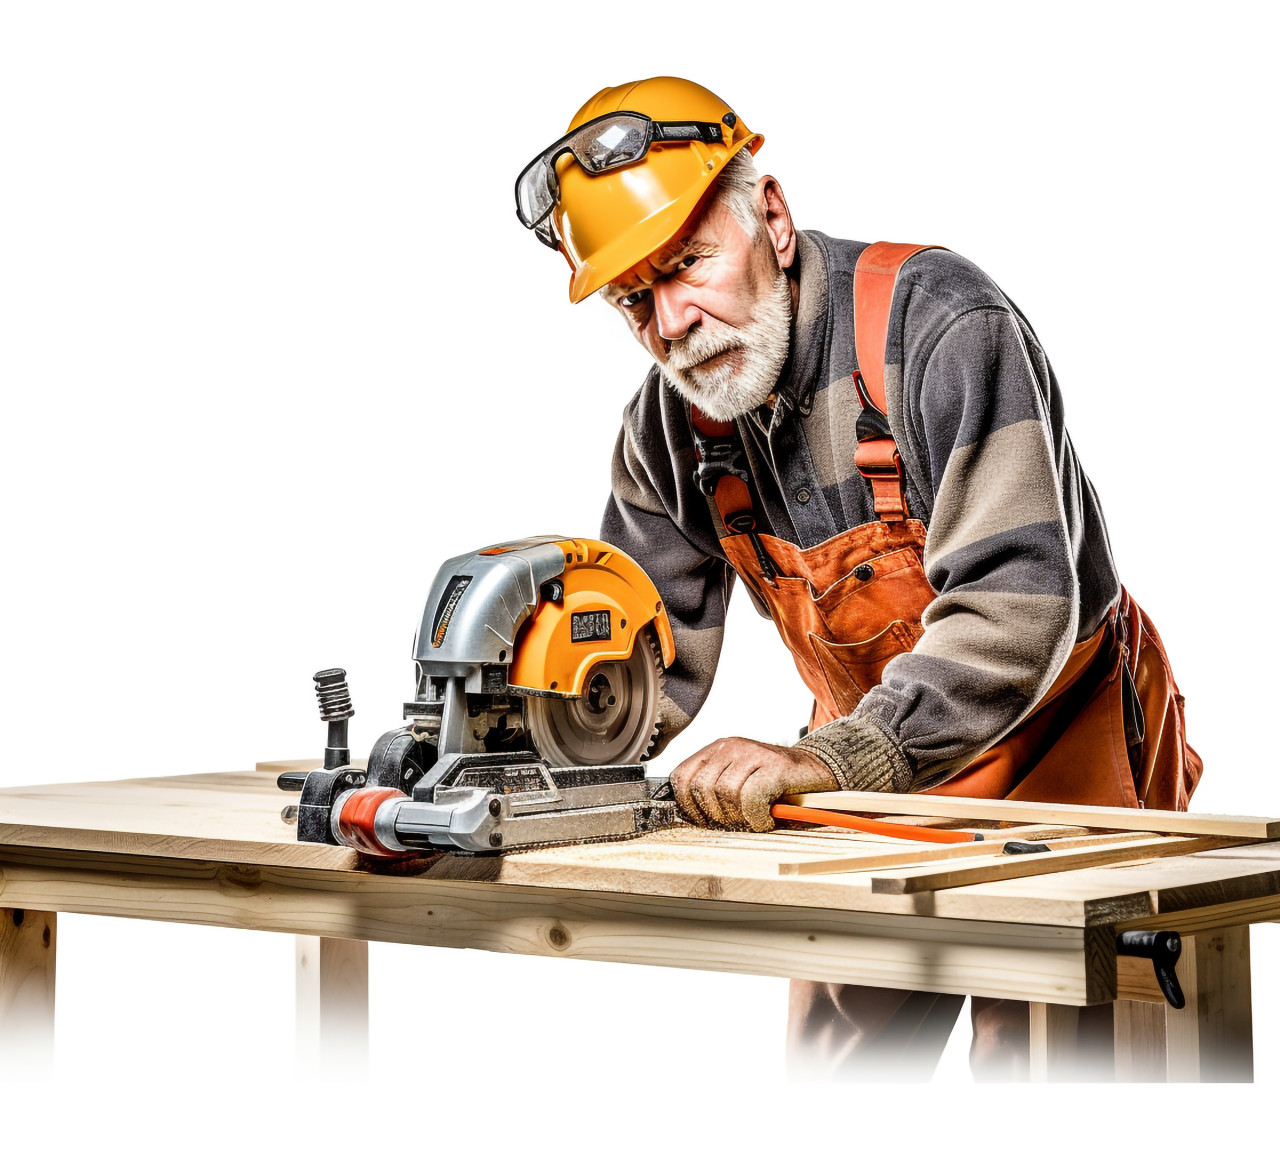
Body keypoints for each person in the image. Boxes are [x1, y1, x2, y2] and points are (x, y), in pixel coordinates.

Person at [515, 76, 1202, 1080]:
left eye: (690, 265)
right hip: (861, 750)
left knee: (1054, 1069)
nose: (671, 324)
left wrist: (842, 759)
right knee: (836, 1074)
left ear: (774, 221)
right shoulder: (668, 430)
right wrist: (514, 756)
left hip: (1059, 731)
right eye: (633, 298)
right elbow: (632, 666)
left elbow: (1018, 605)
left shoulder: (936, 327)